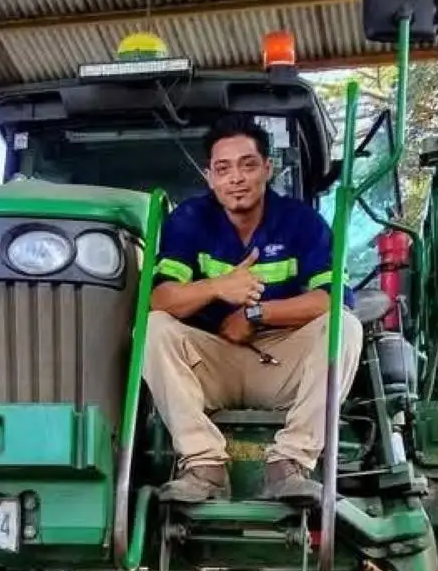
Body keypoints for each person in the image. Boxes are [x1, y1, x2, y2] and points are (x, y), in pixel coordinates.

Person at [142, 113, 362, 505]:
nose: (236, 178)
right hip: (215, 361)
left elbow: (332, 299)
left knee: (345, 327)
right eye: (223, 168)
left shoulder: (303, 222)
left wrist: (255, 314)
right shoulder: (189, 219)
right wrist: (217, 287)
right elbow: (159, 299)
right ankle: (204, 466)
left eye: (247, 165)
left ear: (267, 169)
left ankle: (289, 465)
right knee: (154, 327)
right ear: (210, 177)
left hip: (279, 363)